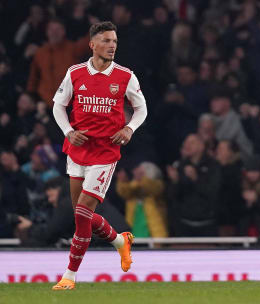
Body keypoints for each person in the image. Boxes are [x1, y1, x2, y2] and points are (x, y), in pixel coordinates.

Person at [50, 21, 148, 290]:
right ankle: (120, 241)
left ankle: (69, 275)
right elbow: (58, 106)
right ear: (92, 44)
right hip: (77, 149)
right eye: (106, 40)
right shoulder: (75, 73)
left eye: (114, 41)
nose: (112, 45)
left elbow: (142, 109)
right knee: (80, 215)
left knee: (83, 211)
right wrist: (69, 132)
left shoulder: (126, 76)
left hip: (105, 153)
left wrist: (129, 128)